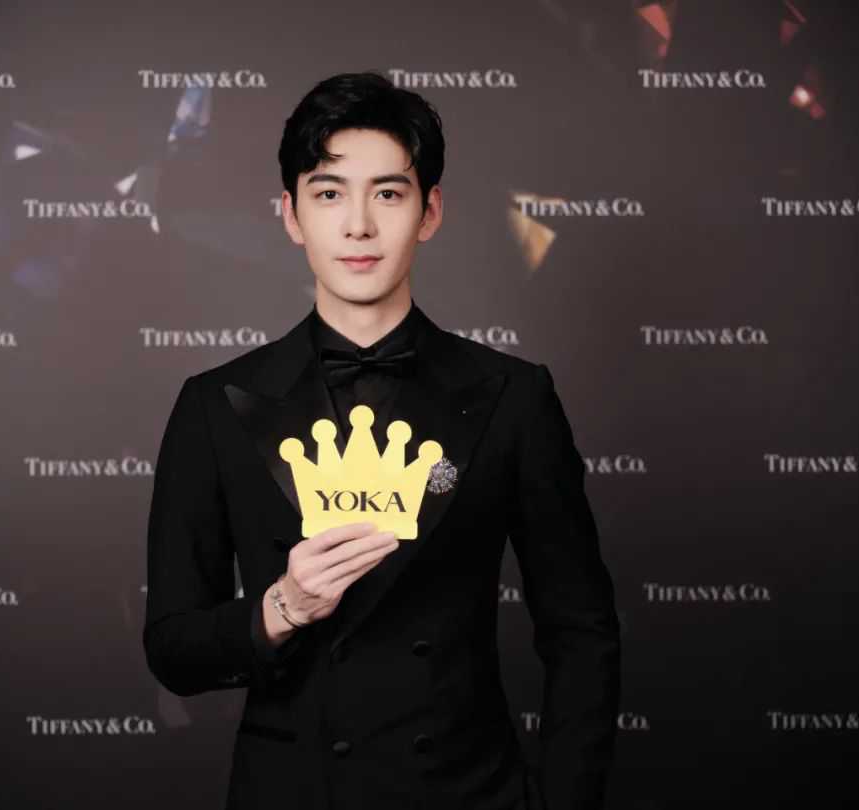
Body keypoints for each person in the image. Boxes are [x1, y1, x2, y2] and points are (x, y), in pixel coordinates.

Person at [143, 70, 621, 810]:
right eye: (329, 193)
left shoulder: (514, 396)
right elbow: (174, 650)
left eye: (389, 194)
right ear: (291, 215)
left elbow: (581, 631)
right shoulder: (213, 405)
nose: (358, 225)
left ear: (430, 212)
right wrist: (283, 606)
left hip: (469, 792)